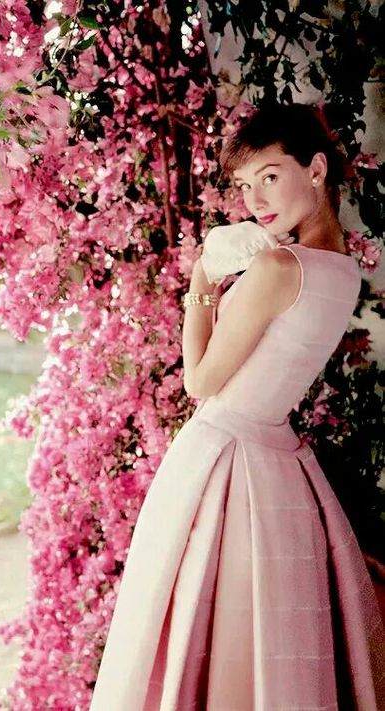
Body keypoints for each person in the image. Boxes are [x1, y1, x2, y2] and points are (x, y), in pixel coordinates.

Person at [89, 102, 385, 710]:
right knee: (265, 636)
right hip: (279, 461)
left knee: (197, 633)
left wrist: (201, 275)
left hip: (223, 453)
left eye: (270, 176)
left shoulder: (279, 265)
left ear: (318, 168)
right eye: (245, 185)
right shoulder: (347, 271)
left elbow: (199, 382)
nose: (255, 199)